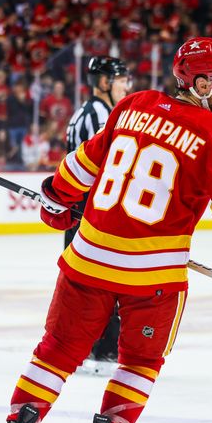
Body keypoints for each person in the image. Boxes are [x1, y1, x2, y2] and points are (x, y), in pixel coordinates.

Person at [0, 37, 212, 423]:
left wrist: (56, 197)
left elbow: (83, 163)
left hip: (87, 261)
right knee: (140, 363)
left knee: (56, 351)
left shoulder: (134, 104)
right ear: (201, 84)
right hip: (153, 281)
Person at [63, 56, 133, 374]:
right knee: (103, 284)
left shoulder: (93, 112)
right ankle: (102, 351)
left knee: (88, 285)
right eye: (122, 81)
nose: (127, 87)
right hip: (91, 215)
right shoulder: (100, 116)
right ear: (104, 83)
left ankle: (87, 349)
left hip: (85, 212)